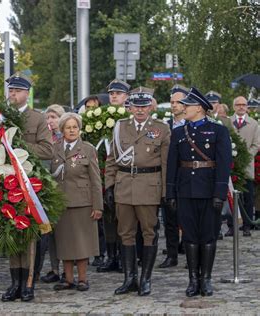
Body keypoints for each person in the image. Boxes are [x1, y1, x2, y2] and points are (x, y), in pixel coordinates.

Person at [166, 87, 232, 297]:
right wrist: (171, 193)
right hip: (185, 190)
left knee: (209, 236)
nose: (183, 108)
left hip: (209, 188)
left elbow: (223, 164)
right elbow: (172, 165)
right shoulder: (177, 133)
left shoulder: (218, 131)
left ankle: (206, 279)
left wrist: (219, 193)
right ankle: (193, 279)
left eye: (187, 105)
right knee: (190, 236)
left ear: (200, 108)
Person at [105, 87, 170, 296]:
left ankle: (145, 279)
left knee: (149, 232)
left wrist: (166, 192)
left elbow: (166, 163)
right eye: (136, 106)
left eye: (144, 105)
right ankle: (129, 278)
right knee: (125, 232)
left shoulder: (162, 128)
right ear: (130, 106)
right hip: (124, 185)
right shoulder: (120, 127)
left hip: (149, 185)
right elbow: (112, 159)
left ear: (150, 106)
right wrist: (109, 185)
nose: (140, 110)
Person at [2, 74, 53, 302]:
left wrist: (20, 147)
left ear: (26, 94)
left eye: (17, 91)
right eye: (10, 90)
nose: (12, 94)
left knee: (29, 233)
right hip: (5, 181)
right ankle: (15, 282)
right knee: (12, 229)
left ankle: (29, 282)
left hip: (30, 182)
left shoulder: (37, 118)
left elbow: (47, 150)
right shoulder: (1, 117)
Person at [50, 113, 103, 291]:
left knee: (82, 243)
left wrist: (98, 206)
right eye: (68, 127)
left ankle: (82, 279)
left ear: (79, 129)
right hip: (60, 202)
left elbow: (96, 180)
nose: (72, 130)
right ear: (62, 129)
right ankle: (68, 279)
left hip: (83, 202)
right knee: (64, 242)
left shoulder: (87, 149)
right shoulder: (54, 148)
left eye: (75, 127)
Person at [96, 79, 131, 275]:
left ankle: (128, 255)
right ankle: (111, 256)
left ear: (126, 96)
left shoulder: (130, 117)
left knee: (126, 219)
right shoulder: (99, 118)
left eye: (118, 93)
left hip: (126, 175)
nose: (114, 96)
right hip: (105, 172)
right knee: (108, 218)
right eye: (111, 93)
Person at [158, 84, 189, 269]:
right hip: (168, 176)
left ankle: (189, 251)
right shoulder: (164, 126)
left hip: (187, 175)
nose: (174, 105)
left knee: (187, 217)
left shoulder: (191, 125)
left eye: (178, 102)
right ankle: (171, 255)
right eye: (172, 102)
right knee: (169, 218)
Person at [40, 104, 65, 284]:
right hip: (48, 189)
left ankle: (67, 268)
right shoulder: (45, 139)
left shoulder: (68, 137)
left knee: (66, 232)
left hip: (65, 189)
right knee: (50, 234)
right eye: (48, 117)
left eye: (54, 117)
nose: (50, 121)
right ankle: (54, 268)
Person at [230, 96, 259, 236]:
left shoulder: (254, 124)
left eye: (243, 104)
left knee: (247, 196)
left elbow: (257, 144)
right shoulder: (228, 122)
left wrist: (247, 156)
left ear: (247, 106)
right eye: (238, 104)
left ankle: (247, 226)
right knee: (231, 196)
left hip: (247, 166)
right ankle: (232, 225)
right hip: (230, 165)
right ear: (234, 106)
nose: (241, 107)